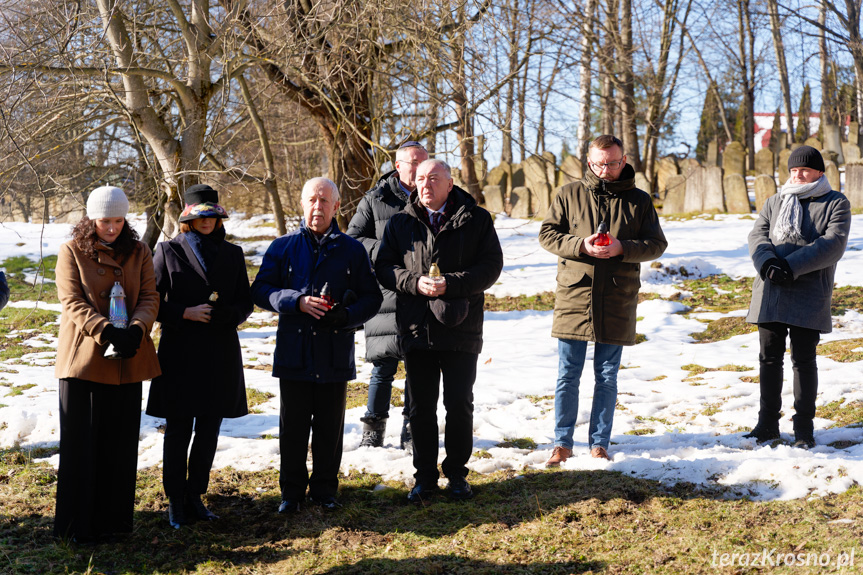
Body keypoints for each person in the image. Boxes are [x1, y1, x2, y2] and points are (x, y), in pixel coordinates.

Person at [251, 177, 382, 513]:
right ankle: (291, 494)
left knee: (329, 427)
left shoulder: (352, 250)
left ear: (337, 206)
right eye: (312, 200)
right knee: (292, 427)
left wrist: (346, 315)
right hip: (294, 351)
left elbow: (372, 298)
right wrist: (295, 301)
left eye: (325, 201)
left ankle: (325, 491)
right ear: (302, 204)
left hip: (333, 351)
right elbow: (261, 289)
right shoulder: (282, 246)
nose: (317, 207)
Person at [376, 159, 503, 503]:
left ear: (450, 184)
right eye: (420, 179)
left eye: (434, 178)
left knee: (459, 404)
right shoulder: (401, 221)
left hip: (461, 326)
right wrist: (415, 283)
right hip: (416, 328)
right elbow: (384, 267)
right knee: (420, 407)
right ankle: (425, 477)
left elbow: (492, 266)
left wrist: (453, 284)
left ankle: (458, 475)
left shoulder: (476, 218)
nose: (426, 184)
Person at [539, 135, 667, 466]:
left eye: (611, 163)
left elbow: (656, 243)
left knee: (607, 374)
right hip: (574, 294)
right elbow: (547, 234)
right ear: (588, 160)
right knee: (568, 371)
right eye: (597, 163)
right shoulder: (568, 194)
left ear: (623, 160)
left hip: (617, 295)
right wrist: (581, 245)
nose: (604, 170)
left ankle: (599, 443)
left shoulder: (639, 200)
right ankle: (562, 443)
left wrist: (623, 248)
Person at [54, 185, 161, 541]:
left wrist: (137, 328)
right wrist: (105, 331)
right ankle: (77, 528)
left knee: (119, 443)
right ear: (90, 218)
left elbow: (149, 295)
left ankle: (115, 524)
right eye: (104, 221)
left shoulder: (140, 251)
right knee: (81, 446)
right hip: (85, 360)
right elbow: (71, 300)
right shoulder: (71, 250)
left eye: (117, 220)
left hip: (127, 358)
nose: (111, 228)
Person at [146, 184, 254, 528]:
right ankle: (174, 500)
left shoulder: (234, 254)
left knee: (210, 429)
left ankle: (196, 495)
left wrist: (231, 315)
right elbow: (151, 302)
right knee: (179, 428)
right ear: (188, 219)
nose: (207, 221)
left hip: (220, 353)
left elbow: (245, 300)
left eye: (212, 214)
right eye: (200, 215)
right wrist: (184, 313)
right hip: (181, 353)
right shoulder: (167, 251)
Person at [745, 145, 851, 449]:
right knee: (769, 360)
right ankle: (767, 425)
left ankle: (804, 429)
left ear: (820, 172)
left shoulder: (836, 203)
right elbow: (758, 235)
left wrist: (791, 267)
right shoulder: (775, 201)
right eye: (793, 169)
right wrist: (767, 263)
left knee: (803, 360)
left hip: (808, 291)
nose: (798, 174)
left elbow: (833, 244)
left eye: (804, 169)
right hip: (770, 290)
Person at [346, 141, 429, 449]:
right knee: (383, 365)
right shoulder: (375, 199)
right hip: (385, 289)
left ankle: (412, 427)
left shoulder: (434, 196)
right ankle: (373, 428)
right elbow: (354, 238)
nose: (419, 167)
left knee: (417, 366)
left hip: (423, 292)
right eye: (413, 162)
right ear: (398, 166)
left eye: (424, 161)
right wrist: (387, 250)